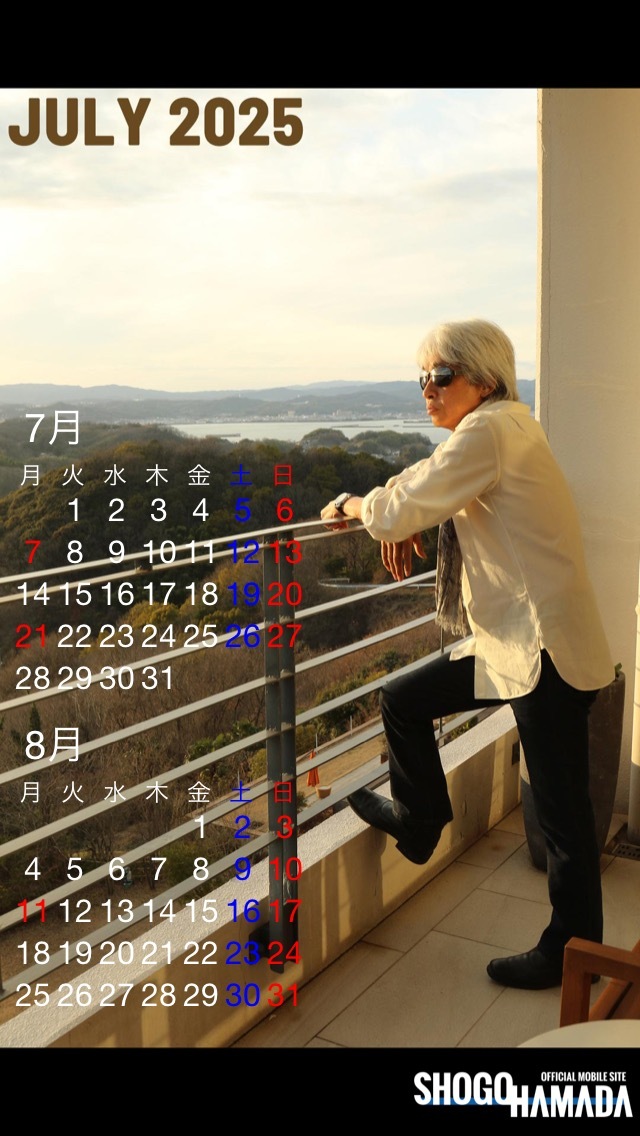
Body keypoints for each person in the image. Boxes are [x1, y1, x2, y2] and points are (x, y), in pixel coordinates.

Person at [320, 318, 614, 990]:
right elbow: (421, 485)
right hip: (516, 645)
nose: (427, 388)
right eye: (422, 377)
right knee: (403, 698)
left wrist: (356, 505)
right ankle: (420, 819)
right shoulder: (501, 428)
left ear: (482, 380)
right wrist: (400, 510)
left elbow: (398, 508)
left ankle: (572, 955)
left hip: (542, 651)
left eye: (441, 375)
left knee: (564, 818)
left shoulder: (489, 432)